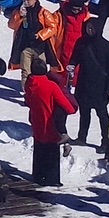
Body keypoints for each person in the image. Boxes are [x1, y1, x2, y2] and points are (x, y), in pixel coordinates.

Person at [24, 57, 75, 187]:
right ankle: (52, 181)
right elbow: (68, 107)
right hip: (50, 124)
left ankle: (38, 176)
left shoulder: (29, 84)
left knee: (39, 150)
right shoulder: (50, 86)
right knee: (51, 154)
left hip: (36, 122)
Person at [70, 17, 109, 149]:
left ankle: (106, 142)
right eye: (88, 27)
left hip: (100, 86)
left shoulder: (107, 46)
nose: (89, 30)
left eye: (92, 28)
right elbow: (75, 58)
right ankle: (82, 137)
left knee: (102, 115)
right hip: (84, 84)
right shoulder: (81, 42)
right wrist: (72, 65)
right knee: (84, 113)